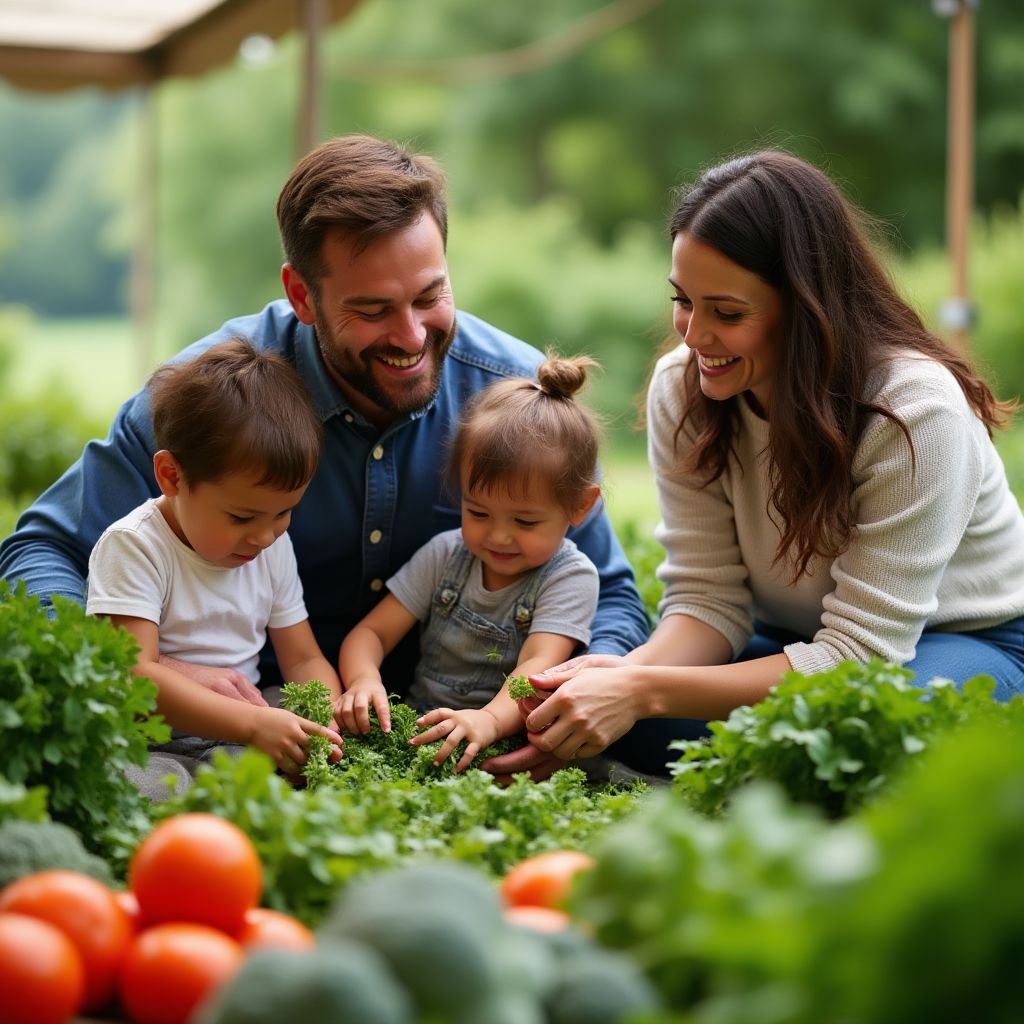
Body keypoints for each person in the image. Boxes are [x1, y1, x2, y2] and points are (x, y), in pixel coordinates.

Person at [0, 133, 648, 781]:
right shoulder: (212, 402)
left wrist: (563, 708)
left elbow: (612, 596)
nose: (411, 336)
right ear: (301, 295)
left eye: (429, 296)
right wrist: (151, 673)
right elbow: (40, 551)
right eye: (372, 310)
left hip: (455, 730)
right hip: (260, 720)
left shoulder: (516, 404)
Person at [516, 150, 1024, 776]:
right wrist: (624, 677)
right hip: (803, 644)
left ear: (809, 308)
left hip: (967, 643)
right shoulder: (684, 387)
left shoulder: (912, 410)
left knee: (861, 739)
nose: (694, 336)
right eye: (684, 301)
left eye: (728, 313)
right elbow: (708, 599)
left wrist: (644, 692)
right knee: (630, 727)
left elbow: (862, 654)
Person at [86, 339, 344, 779]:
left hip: (246, 719)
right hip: (154, 734)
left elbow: (301, 659)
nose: (265, 535)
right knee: (148, 783)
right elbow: (132, 672)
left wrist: (326, 713)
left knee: (294, 735)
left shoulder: (270, 545)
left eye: (284, 512)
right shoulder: (136, 546)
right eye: (242, 516)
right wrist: (253, 724)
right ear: (172, 476)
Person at [338, 355, 601, 771]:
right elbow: (372, 632)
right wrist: (363, 679)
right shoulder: (448, 553)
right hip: (422, 726)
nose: (498, 536)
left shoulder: (569, 577)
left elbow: (536, 668)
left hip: (508, 742)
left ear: (580, 506)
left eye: (525, 520)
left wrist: (489, 720)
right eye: (478, 513)